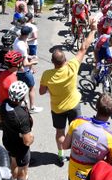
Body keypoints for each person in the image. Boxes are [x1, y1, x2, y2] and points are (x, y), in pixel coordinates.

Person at [40, 18, 97, 165]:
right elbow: (84, 47)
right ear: (65, 59)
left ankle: (60, 154)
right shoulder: (72, 66)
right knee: (77, 131)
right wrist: (93, 29)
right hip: (74, 105)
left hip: (57, 108)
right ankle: (75, 154)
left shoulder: (47, 75)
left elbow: (41, 92)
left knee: (60, 132)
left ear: (53, 62)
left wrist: (51, 88)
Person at [0, 81, 39, 180]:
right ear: (23, 96)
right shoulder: (21, 116)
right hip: (20, 146)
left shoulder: (4, 103)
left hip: (8, 140)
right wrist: (31, 137)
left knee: (13, 161)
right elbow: (27, 141)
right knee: (23, 171)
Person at [13, 26, 43, 113]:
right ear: (28, 34)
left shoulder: (17, 40)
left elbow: (22, 56)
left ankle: (22, 101)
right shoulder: (22, 46)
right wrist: (34, 62)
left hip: (17, 69)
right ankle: (32, 107)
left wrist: (30, 56)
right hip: (24, 71)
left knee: (22, 86)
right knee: (32, 87)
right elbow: (25, 63)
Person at [0, 50, 23, 121]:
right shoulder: (13, 81)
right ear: (18, 64)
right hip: (9, 108)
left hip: (2, 103)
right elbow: (16, 100)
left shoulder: (3, 73)